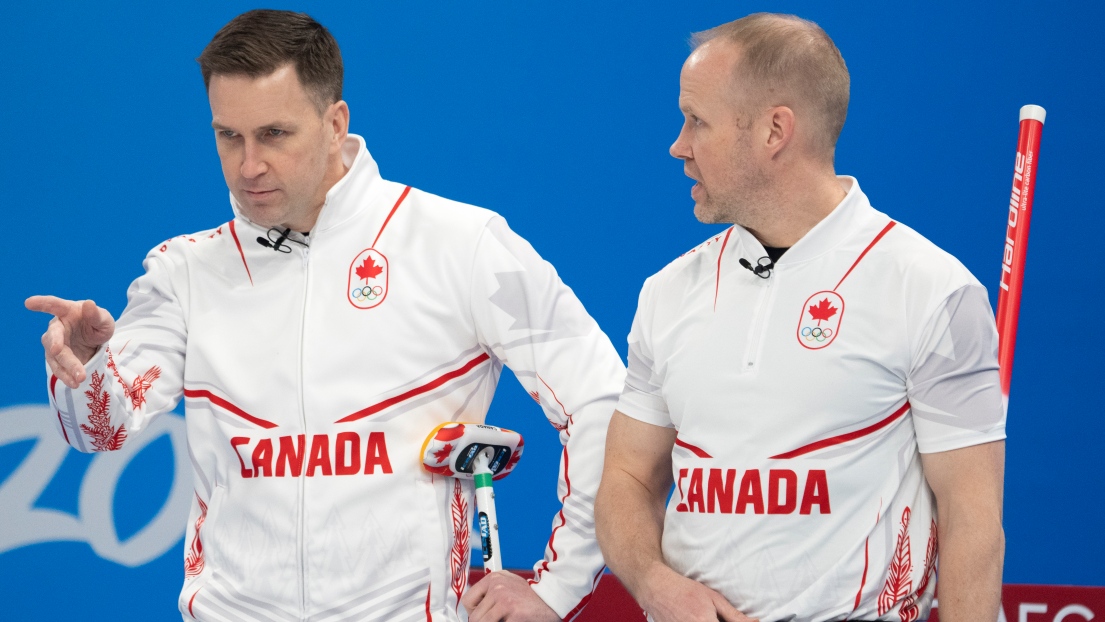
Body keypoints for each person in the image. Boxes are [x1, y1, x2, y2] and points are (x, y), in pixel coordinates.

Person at [26, 10, 624, 622]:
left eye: (274, 134)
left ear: (335, 123)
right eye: (228, 135)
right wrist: (88, 367)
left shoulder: (461, 243)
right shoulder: (185, 270)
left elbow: (601, 400)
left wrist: (557, 587)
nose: (248, 164)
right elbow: (96, 430)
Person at [594, 13, 1005, 622]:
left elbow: (972, 519)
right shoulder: (668, 291)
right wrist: (655, 582)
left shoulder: (930, 289)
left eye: (697, 121)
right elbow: (627, 476)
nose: (678, 145)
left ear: (774, 131)